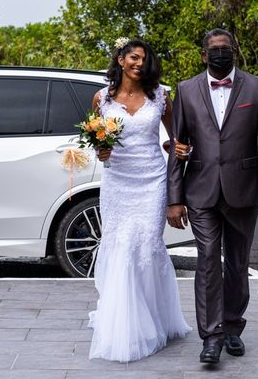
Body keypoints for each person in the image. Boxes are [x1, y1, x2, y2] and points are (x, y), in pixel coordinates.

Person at [167, 28, 258, 364]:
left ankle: (233, 326)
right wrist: (174, 198)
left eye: (227, 48)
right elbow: (177, 148)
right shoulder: (186, 90)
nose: (221, 53)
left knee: (237, 263)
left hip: (244, 190)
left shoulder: (257, 86)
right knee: (207, 262)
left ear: (234, 51)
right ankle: (212, 336)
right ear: (204, 55)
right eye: (214, 49)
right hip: (200, 190)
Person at [88, 37, 191, 362]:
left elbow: (178, 140)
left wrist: (178, 150)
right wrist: (101, 151)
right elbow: (98, 145)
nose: (138, 64)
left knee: (146, 247)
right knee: (120, 247)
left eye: (144, 59)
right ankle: (124, 325)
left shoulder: (161, 96)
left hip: (151, 182)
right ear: (120, 59)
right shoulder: (101, 99)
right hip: (117, 182)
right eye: (133, 57)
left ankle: (154, 319)